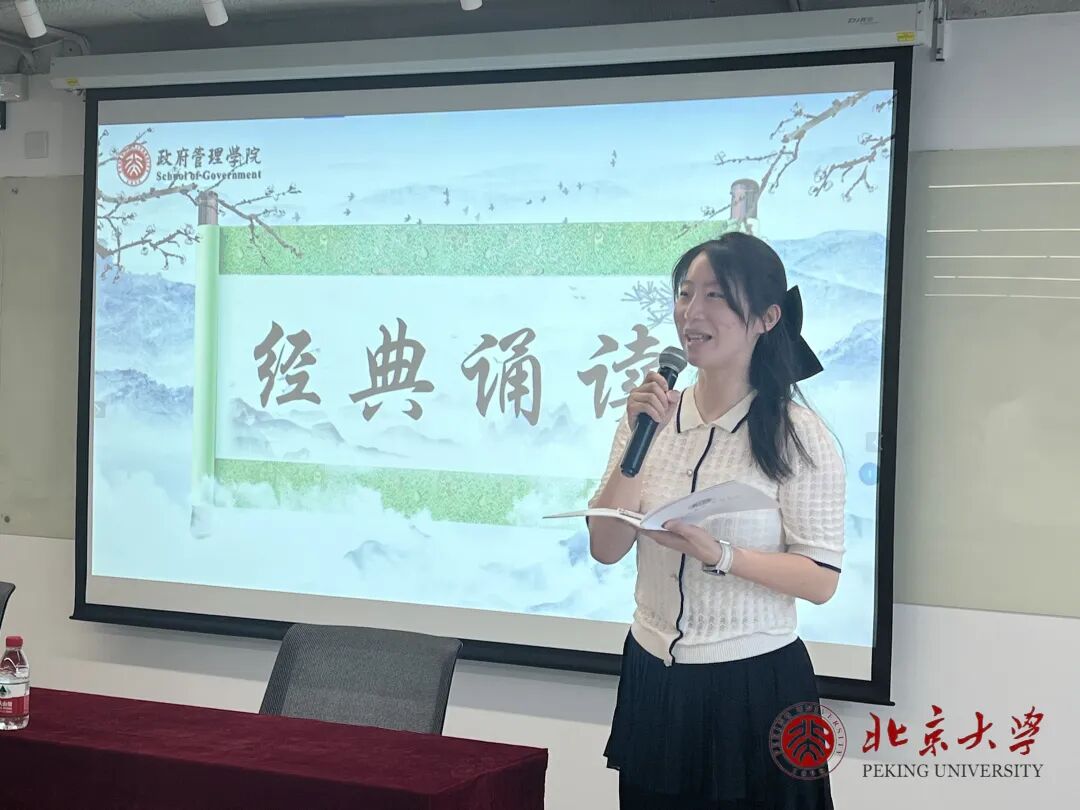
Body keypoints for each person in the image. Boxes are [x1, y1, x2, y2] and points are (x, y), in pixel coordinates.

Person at [588, 232, 845, 809]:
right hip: (653, 675)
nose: (692, 312)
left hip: (752, 686)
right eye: (685, 293)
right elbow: (605, 546)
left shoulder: (797, 435)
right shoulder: (648, 418)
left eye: (716, 296)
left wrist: (722, 556)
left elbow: (821, 578)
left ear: (766, 318)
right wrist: (639, 443)